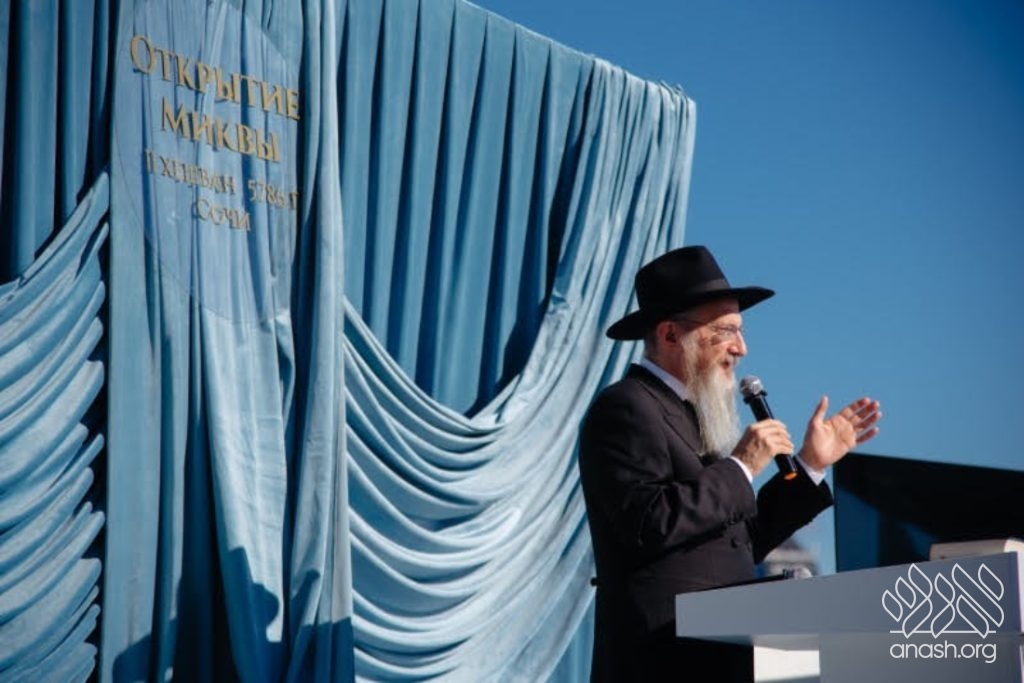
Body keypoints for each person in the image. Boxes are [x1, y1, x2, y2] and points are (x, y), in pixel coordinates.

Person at [578, 246, 881, 682]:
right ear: (669, 335)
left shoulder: (692, 413)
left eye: (740, 331)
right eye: (725, 331)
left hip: (722, 656)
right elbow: (648, 524)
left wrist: (811, 464)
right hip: (661, 663)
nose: (741, 348)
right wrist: (741, 467)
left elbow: (736, 543)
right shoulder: (626, 407)